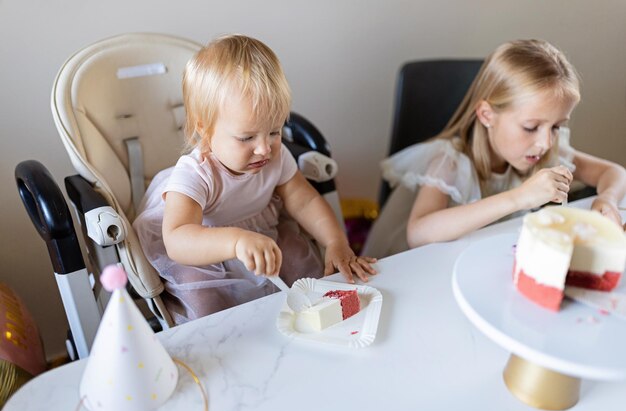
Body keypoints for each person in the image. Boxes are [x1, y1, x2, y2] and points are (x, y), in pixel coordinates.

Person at [133, 34, 376, 324]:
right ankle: (222, 342)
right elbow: (177, 238)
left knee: (298, 256)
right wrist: (235, 242)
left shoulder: (275, 155)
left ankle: (316, 319)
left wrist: (335, 242)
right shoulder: (195, 173)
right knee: (200, 293)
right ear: (205, 130)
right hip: (204, 249)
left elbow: (305, 200)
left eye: (274, 131)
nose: (264, 148)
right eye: (247, 137)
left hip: (261, 234)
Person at [363, 39, 626, 258]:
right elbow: (419, 234)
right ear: (487, 115)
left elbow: (613, 172)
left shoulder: (542, 148)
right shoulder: (450, 162)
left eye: (556, 126)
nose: (546, 142)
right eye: (531, 127)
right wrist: (519, 197)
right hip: (400, 268)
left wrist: (607, 199)